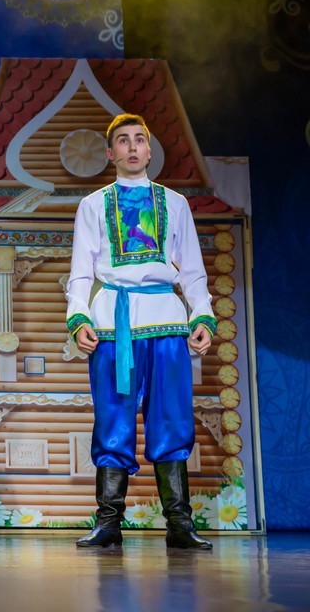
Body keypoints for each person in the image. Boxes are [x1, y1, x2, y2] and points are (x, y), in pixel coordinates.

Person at [67, 113, 215, 550]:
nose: (132, 147)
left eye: (138, 140)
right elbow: (80, 271)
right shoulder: (94, 205)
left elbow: (192, 269)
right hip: (114, 322)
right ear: (110, 153)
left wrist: (201, 315)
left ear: (149, 151)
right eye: (122, 140)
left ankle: (180, 523)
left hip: (166, 320)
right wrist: (79, 318)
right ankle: (108, 522)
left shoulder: (175, 203)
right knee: (112, 418)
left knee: (171, 417)